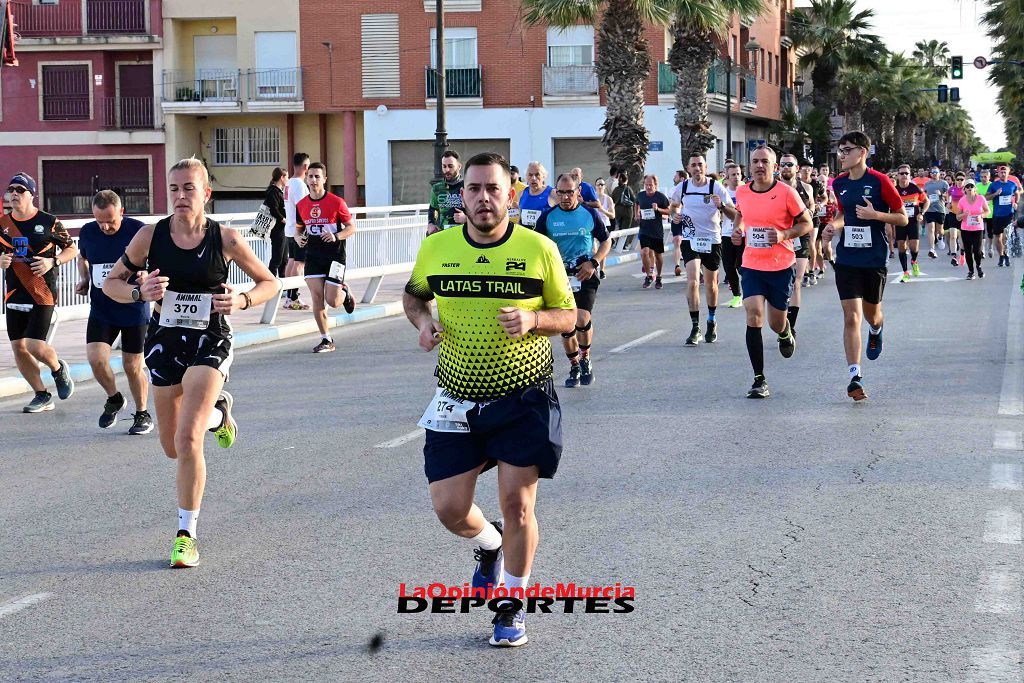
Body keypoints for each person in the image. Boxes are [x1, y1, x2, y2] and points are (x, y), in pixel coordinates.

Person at [403, 152, 576, 648]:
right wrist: (423, 322)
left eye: (492, 189)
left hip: (523, 397)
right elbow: (415, 297)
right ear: (464, 195)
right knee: (449, 509)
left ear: (511, 194)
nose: (482, 198)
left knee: (518, 505)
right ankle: (489, 544)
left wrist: (534, 320)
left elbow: (570, 317)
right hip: (457, 396)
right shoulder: (437, 248)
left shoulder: (538, 249)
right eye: (473, 189)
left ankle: (511, 607)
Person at [102, 157, 278, 568]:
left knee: (188, 439)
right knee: (170, 446)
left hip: (210, 339)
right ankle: (220, 416)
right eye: (175, 189)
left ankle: (186, 535)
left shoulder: (226, 239)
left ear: (206, 194)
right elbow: (111, 282)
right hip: (164, 341)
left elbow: (270, 282)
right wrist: (139, 292)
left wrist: (242, 300)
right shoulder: (150, 237)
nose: (181, 196)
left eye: (189, 189)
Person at [821, 132, 907, 402]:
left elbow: (902, 218)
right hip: (847, 258)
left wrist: (876, 215)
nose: (842, 155)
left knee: (872, 315)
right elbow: (843, 213)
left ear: (862, 152)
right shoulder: (839, 183)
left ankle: (877, 330)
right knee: (851, 317)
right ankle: (855, 377)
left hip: (873, 259)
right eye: (840, 150)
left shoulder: (880, 181)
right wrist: (832, 227)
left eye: (846, 150)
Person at [731, 147, 809, 398]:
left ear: (774, 166)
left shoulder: (786, 193)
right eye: (755, 161)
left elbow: (806, 223)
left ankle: (785, 333)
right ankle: (759, 379)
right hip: (752, 264)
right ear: (749, 166)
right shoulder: (742, 191)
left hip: (781, 265)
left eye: (765, 161)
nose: (759, 166)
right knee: (753, 315)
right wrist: (737, 230)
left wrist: (784, 234)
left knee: (776, 322)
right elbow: (741, 215)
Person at [75, 190, 153, 433]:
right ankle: (114, 398)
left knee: (132, 366)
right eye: (100, 221)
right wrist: (85, 279)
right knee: (96, 360)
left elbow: (157, 260)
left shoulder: (139, 231)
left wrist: (146, 274)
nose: (106, 226)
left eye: (111, 220)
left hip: (133, 306)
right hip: (102, 307)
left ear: (122, 211)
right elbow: (82, 257)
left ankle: (142, 413)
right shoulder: (88, 232)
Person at [0, 172, 77, 413]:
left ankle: (58, 368)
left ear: (31, 194)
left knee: (34, 345)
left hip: (42, 292)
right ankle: (42, 394)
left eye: (20, 190)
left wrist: (52, 262)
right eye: (11, 189)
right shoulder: (2, 224)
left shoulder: (49, 221)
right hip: (14, 291)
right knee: (18, 348)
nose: (14, 193)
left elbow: (72, 249)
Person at [536, 173, 610, 388]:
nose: (566, 196)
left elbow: (606, 241)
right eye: (561, 192)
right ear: (556, 193)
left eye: (570, 192)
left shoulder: (589, 214)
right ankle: (574, 364)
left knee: (581, 318)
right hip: (559, 278)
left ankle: (585, 357)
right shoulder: (547, 217)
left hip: (584, 274)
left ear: (578, 192)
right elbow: (538, 248)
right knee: (567, 326)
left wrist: (594, 263)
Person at [670, 155, 737, 345]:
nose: (697, 168)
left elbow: (734, 214)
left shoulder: (715, 187)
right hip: (690, 238)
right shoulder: (682, 187)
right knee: (692, 282)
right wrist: (675, 216)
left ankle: (711, 320)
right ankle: (695, 326)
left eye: (700, 165)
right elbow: (674, 206)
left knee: (711, 284)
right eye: (694, 165)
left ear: (706, 167)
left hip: (711, 240)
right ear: (688, 168)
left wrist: (721, 206)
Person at [294, 162, 357, 353]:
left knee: (333, 301)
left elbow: (351, 227)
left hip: (335, 255)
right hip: (313, 255)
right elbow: (298, 228)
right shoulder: (301, 204)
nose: (313, 180)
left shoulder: (337, 202)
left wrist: (336, 236)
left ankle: (344, 293)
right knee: (317, 298)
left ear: (324, 179)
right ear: (306, 179)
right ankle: (326, 339)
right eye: (310, 176)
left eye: (317, 177)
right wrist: (299, 238)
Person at [777, 154, 815, 335]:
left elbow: (813, 207)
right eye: (783, 164)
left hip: (800, 236)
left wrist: (808, 212)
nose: (786, 168)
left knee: (796, 281)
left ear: (796, 167)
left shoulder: (806, 188)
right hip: (779, 238)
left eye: (789, 165)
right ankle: (781, 316)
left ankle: (790, 326)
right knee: (781, 283)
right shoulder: (773, 188)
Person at [892, 164, 930, 282]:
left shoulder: (915, 188)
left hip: (913, 220)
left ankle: (914, 261)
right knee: (901, 246)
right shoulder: (894, 190)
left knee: (914, 247)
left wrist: (922, 213)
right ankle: (905, 272)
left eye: (906, 173)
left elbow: (926, 201)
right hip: (900, 221)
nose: (904, 175)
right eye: (902, 173)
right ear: (898, 176)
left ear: (910, 175)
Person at [283, 153, 310, 310]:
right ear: (305, 166)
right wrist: (302, 230)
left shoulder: (288, 183)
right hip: (299, 230)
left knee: (292, 261)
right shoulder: (300, 185)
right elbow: (302, 208)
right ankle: (293, 297)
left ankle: (288, 296)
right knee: (299, 264)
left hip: (290, 228)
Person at [635, 175, 670, 289]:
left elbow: (669, 211)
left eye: (651, 185)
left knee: (657, 255)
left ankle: (659, 276)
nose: (648, 187)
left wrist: (658, 209)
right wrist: (636, 213)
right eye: (646, 185)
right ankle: (649, 275)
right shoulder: (641, 195)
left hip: (656, 231)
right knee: (644, 252)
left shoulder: (660, 197)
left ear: (655, 185)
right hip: (644, 229)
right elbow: (637, 203)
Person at [986, 165, 1021, 267]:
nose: (1003, 173)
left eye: (1005, 172)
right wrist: (995, 194)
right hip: (997, 214)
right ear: (998, 173)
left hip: (1009, 214)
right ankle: (1001, 255)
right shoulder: (993, 185)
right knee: (998, 237)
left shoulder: (1012, 184)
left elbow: (1017, 193)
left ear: (1008, 173)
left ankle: (1006, 255)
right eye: (1001, 172)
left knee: (1006, 235)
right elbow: (987, 197)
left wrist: (1016, 202)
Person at [720, 164, 744, 307]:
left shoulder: (746, 191)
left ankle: (748, 292)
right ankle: (736, 296)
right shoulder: (723, 193)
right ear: (727, 177)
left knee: (743, 266)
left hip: (743, 234)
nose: (736, 177)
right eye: (733, 174)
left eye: (738, 174)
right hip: (727, 234)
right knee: (729, 267)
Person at [428, 151, 465, 235]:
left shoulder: (468, 186)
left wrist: (466, 218)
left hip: (463, 233)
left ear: (459, 166)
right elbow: (433, 209)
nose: (447, 170)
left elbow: (476, 211)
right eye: (444, 166)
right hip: (443, 233)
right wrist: (431, 223)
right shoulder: (437, 188)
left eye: (450, 166)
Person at [956, 179, 988, 279]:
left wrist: (981, 216)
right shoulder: (962, 200)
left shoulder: (981, 198)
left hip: (978, 229)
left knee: (977, 251)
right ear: (964, 189)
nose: (970, 188)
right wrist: (963, 214)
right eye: (967, 187)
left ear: (975, 188)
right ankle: (971, 271)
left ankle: (978, 266)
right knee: (968, 251)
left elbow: (988, 211)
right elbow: (957, 217)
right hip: (965, 229)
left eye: (971, 186)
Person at [799, 161, 822, 285]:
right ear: (800, 169)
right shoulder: (795, 184)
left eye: (809, 167)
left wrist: (819, 206)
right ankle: (805, 272)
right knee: (802, 245)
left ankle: (812, 271)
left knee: (811, 243)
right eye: (804, 167)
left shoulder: (815, 184)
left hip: (813, 217)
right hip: (799, 218)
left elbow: (823, 198)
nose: (807, 169)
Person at [265, 167, 288, 286]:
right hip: (277, 229)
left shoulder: (279, 190)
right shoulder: (273, 191)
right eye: (286, 177)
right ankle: (270, 284)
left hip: (281, 229)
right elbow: (273, 209)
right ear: (281, 178)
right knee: (277, 259)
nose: (287, 180)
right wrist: (283, 219)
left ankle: (283, 286)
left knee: (284, 259)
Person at [517, 161, 555, 230]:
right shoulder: (521, 194)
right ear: (526, 177)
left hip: (544, 237)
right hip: (526, 237)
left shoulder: (552, 193)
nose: (533, 178)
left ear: (543, 176)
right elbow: (520, 219)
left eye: (537, 175)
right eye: (530, 175)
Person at [923, 168, 949, 259]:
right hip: (930, 209)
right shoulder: (927, 184)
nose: (934, 174)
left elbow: (948, 195)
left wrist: (941, 194)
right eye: (932, 172)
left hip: (940, 209)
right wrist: (924, 196)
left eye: (936, 172)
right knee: (931, 229)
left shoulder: (943, 183)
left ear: (939, 173)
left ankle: (941, 237)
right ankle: (932, 249)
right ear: (930, 174)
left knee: (940, 230)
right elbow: (923, 195)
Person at [593, 177, 616, 278]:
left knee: (603, 247)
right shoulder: (592, 198)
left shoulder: (608, 199)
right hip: (594, 225)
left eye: (602, 184)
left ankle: (602, 270)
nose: (600, 186)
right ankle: (595, 267)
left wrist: (602, 210)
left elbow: (612, 215)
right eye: (599, 184)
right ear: (595, 186)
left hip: (605, 225)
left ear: (605, 186)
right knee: (594, 248)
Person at [668, 169, 687, 277]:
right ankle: (677, 266)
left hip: (690, 220)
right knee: (677, 240)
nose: (673, 178)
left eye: (676, 176)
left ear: (682, 178)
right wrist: (674, 215)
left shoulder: (691, 188)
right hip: (677, 219)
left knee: (690, 243)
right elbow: (672, 206)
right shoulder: (673, 190)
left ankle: (699, 270)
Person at [946, 173, 967, 266]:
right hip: (953, 214)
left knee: (962, 237)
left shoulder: (967, 189)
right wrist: (948, 202)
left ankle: (962, 253)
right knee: (953, 235)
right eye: (958, 179)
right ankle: (954, 256)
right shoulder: (952, 188)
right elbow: (948, 194)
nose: (959, 181)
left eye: (961, 179)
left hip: (963, 215)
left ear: (964, 180)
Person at [610, 170, 636, 244]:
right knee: (626, 229)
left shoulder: (616, 189)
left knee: (619, 228)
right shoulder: (628, 189)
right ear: (626, 180)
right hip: (627, 211)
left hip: (618, 211)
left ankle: (618, 243)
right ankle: (623, 244)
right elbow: (634, 200)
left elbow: (613, 200)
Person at [976, 168, 996, 258]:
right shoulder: (977, 185)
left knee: (990, 231)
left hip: (991, 211)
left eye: (985, 177)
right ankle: (982, 249)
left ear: (989, 177)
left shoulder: (992, 185)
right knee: (981, 231)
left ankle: (990, 246)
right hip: (980, 211)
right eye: (982, 177)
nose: (983, 178)